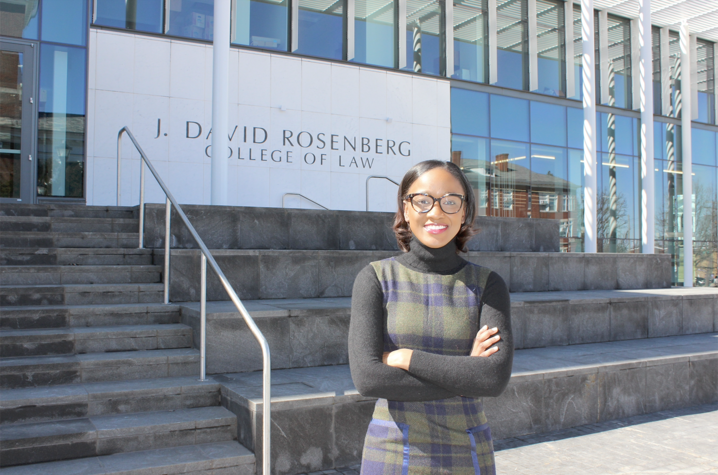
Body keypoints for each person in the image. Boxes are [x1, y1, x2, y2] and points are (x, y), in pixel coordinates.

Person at [349, 160, 513, 474]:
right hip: (392, 448)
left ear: (464, 212)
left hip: (467, 447)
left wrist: (407, 358)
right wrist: (466, 375)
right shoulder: (375, 279)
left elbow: (492, 379)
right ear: (405, 209)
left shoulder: (488, 285)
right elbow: (368, 379)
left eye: (450, 201)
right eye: (423, 201)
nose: (436, 212)